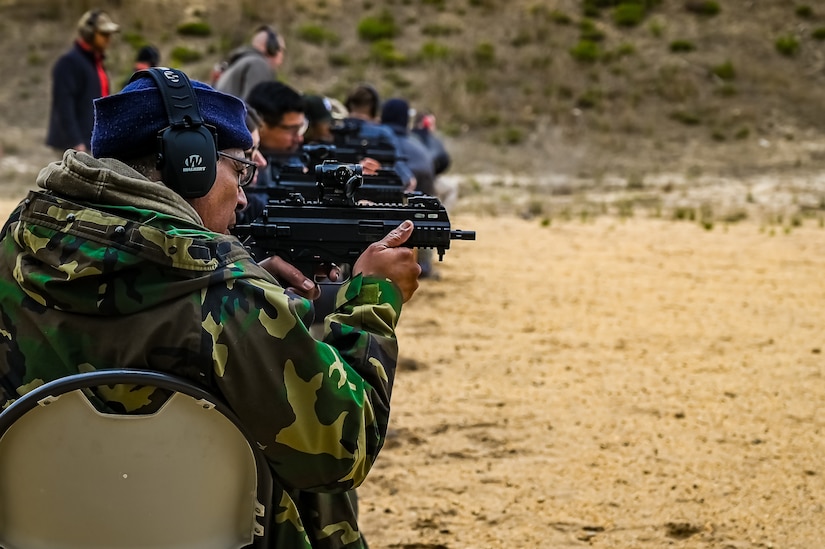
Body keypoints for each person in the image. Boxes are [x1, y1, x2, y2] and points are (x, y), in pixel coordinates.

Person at [0, 67, 420, 549]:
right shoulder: (231, 301)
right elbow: (341, 450)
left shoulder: (11, 255)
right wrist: (371, 301)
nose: (243, 195)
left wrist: (252, 285)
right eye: (240, 170)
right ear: (190, 162)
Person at [46, 9, 120, 154]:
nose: (108, 39)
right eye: (104, 34)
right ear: (89, 33)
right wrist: (76, 142)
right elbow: (63, 106)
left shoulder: (95, 63)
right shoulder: (69, 63)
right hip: (72, 148)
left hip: (90, 142)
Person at [380, 98, 440, 279]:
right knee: (425, 216)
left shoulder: (376, 140)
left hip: (386, 199)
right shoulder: (417, 145)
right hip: (420, 198)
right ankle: (424, 265)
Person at [214, 24, 285, 100]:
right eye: (281, 50)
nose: (282, 56)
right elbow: (256, 107)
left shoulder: (238, 64)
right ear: (272, 48)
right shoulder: (258, 64)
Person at [412, 110, 458, 212]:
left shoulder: (409, 137)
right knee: (451, 188)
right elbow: (441, 159)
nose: (434, 127)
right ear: (425, 123)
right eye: (432, 123)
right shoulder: (427, 139)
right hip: (425, 181)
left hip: (415, 179)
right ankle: (442, 219)